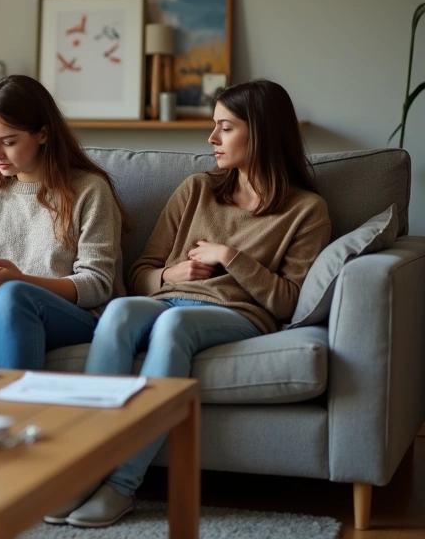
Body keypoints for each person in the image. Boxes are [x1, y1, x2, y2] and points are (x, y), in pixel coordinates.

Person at [53, 79, 332, 528]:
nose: (212, 139)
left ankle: (122, 486)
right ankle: (84, 467)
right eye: (213, 126)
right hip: (168, 300)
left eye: (225, 127)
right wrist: (169, 274)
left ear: (259, 133)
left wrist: (232, 257)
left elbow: (287, 302)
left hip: (236, 315)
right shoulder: (197, 189)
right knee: (122, 310)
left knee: (173, 328)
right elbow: (138, 273)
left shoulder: (306, 210)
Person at [0, 75, 126, 370]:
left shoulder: (90, 190)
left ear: (43, 134)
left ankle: (17, 411)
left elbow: (97, 284)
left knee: (13, 295)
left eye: (9, 141)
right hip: (3, 304)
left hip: (77, 315)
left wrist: (19, 281)